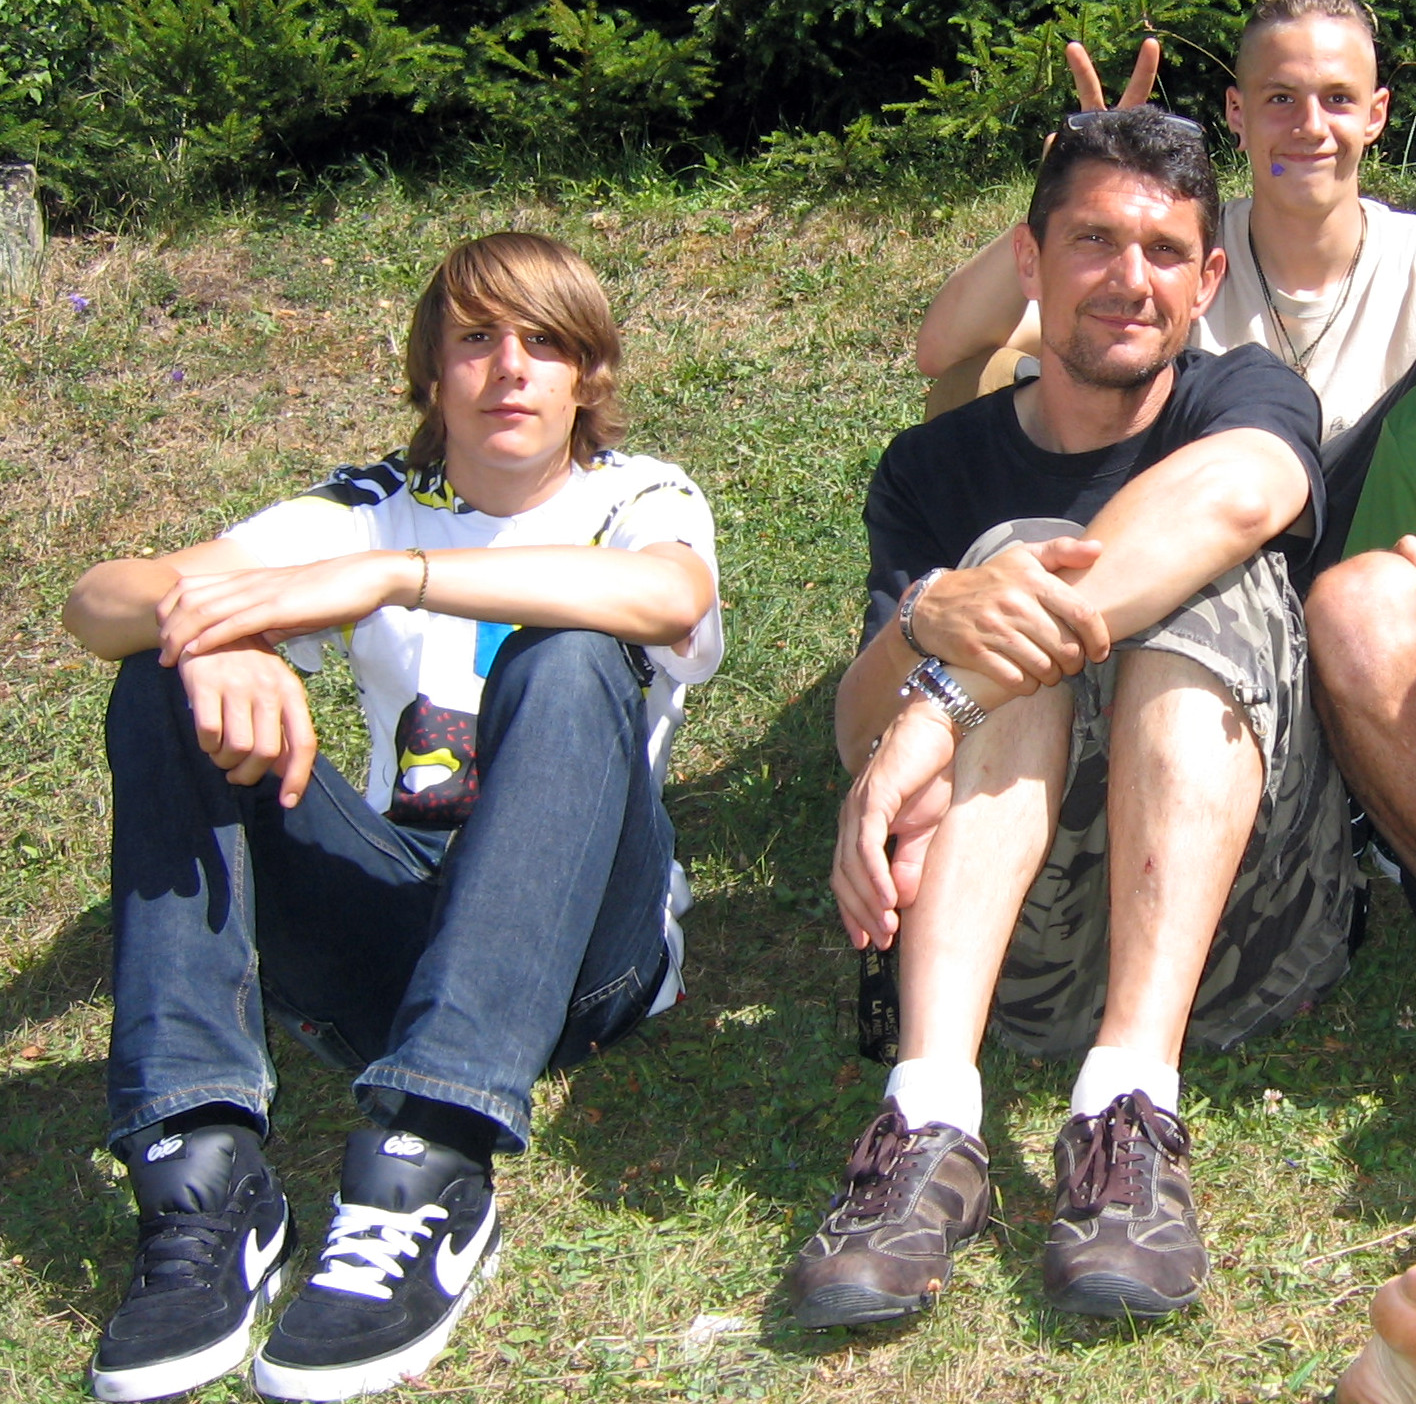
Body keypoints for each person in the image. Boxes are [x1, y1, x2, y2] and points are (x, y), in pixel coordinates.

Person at [62, 232, 723, 1402]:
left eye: (545, 342)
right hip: (392, 942)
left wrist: (395, 578)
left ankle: (427, 1163)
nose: (510, 367)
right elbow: (98, 598)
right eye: (476, 339)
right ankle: (202, 1176)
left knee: (571, 652)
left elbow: (667, 598)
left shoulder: (638, 496)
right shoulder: (369, 505)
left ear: (588, 375)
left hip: (584, 958)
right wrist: (218, 637)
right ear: (430, 373)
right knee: (162, 674)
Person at [786, 108, 1356, 1329]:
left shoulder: (1245, 396)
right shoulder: (934, 467)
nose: (1128, 279)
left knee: (1192, 569)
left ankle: (1129, 1108)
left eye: (1165, 251)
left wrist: (948, 696)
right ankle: (928, 1119)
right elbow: (853, 733)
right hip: (1015, 967)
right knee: (1003, 558)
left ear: (1208, 281)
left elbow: (1243, 493)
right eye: (1093, 241)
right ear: (1030, 262)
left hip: (1246, 934)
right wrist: (928, 624)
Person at [918, 0, 1416, 561]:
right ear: (1237, 113)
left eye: (1338, 99)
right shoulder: (1169, 253)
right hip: (1188, 556)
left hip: (1371, 559)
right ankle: (984, 590)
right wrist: (1073, 183)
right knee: (985, 377)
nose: (1310, 127)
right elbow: (945, 353)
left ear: (1376, 114)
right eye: (1280, 99)